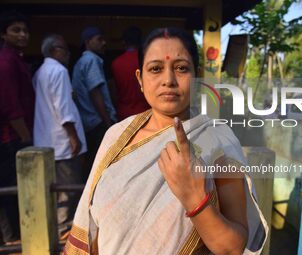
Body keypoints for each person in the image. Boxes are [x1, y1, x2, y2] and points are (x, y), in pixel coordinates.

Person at [64, 27, 268, 255]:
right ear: (140, 79)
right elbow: (94, 226)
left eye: (181, 68)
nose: (168, 80)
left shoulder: (218, 142)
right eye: (156, 69)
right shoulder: (116, 136)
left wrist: (193, 198)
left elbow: (232, 248)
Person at [33, 34, 87, 237]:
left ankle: (57, 229)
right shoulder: (59, 71)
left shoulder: (40, 72)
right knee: (69, 189)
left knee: (55, 191)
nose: (68, 54)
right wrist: (74, 137)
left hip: (46, 141)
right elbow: (63, 108)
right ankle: (64, 230)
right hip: (63, 140)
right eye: (65, 49)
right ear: (54, 50)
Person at [0, 10, 35, 244]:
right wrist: (25, 139)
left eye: (25, 30)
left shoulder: (16, 58)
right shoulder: (5, 62)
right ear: (3, 34)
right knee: (12, 191)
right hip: (11, 139)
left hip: (15, 137)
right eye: (16, 30)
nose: (23, 35)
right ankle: (13, 240)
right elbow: (11, 106)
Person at [72, 26, 117, 181]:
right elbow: (95, 93)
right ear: (87, 42)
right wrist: (107, 122)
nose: (104, 43)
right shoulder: (91, 60)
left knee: (93, 163)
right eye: (99, 39)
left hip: (89, 122)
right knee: (99, 165)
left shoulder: (82, 61)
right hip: (97, 122)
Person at [111, 26, 150, 121]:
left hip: (124, 115)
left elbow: (113, 92)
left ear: (124, 42)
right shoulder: (147, 61)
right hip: (146, 113)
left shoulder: (116, 63)